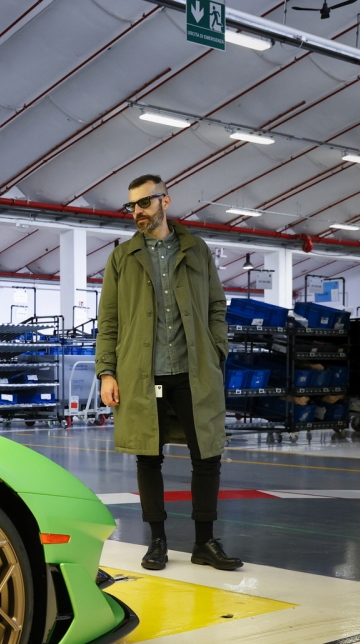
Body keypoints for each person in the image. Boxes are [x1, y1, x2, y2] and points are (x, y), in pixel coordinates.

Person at [95, 175, 243, 571]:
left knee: (207, 455)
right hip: (142, 374)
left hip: (194, 371)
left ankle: (204, 542)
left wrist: (216, 349)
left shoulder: (196, 250)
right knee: (148, 458)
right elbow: (108, 321)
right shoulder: (122, 258)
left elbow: (216, 306)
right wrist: (107, 371)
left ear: (165, 201)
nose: (137, 212)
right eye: (132, 206)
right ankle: (157, 541)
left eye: (144, 203)